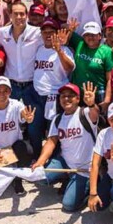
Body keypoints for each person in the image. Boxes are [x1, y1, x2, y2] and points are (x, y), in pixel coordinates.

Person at [30, 83, 101, 212]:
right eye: (63, 96)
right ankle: (67, 178)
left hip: (84, 168)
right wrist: (40, 162)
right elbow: (51, 141)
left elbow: (95, 113)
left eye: (70, 96)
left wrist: (91, 104)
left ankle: (88, 185)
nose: (66, 99)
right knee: (39, 176)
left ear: (78, 99)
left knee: (68, 205)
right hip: (65, 163)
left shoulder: (85, 113)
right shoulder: (58, 118)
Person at [0, 76, 36, 195]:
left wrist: (28, 118)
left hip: (14, 149)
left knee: (27, 150)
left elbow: (24, 114)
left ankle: (17, 178)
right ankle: (6, 170)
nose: (2, 94)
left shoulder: (16, 105)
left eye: (6, 91)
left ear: (10, 92)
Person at [28, 19, 75, 153]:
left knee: (53, 131)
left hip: (54, 97)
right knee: (34, 129)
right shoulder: (39, 48)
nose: (48, 35)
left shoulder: (65, 50)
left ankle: (53, 157)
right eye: (45, 32)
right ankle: (37, 156)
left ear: (57, 33)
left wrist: (59, 50)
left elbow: (69, 68)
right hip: (37, 96)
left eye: (51, 32)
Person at [66, 20, 113, 108]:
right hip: (78, 93)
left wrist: (107, 99)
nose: (90, 37)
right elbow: (65, 37)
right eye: (87, 35)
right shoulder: (80, 43)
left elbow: (110, 79)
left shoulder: (107, 51)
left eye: (93, 35)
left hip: (98, 94)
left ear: (100, 36)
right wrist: (70, 30)